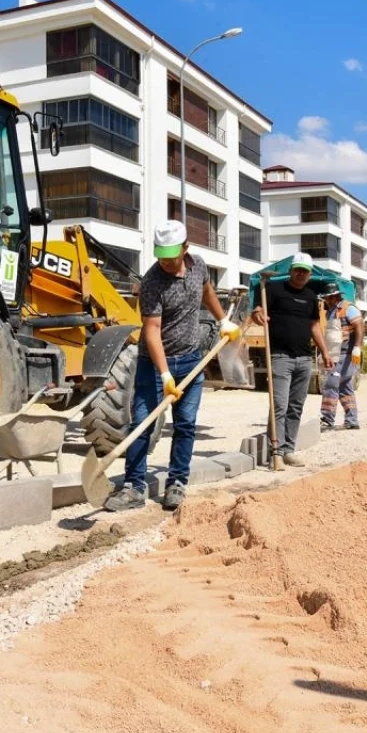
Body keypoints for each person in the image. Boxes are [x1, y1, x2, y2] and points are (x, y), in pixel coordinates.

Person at [103, 219, 241, 513]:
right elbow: (151, 330)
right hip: (154, 364)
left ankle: (177, 482)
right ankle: (134, 487)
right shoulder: (152, 281)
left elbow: (206, 292)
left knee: (186, 425)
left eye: (171, 256)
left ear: (186, 249)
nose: (165, 262)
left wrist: (222, 320)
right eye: (161, 256)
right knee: (143, 422)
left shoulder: (199, 266)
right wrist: (164, 373)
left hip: (192, 359)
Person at [250, 253, 332, 466]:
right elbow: (257, 312)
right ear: (291, 270)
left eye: (305, 271)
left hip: (304, 359)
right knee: (279, 405)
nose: (301, 274)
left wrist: (325, 352)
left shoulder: (311, 296)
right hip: (279, 357)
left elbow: (314, 326)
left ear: (309, 273)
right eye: (298, 269)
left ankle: (288, 450)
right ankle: (275, 451)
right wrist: (257, 314)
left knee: (296, 406)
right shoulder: (273, 290)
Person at [319, 282, 366, 430]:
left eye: (329, 297)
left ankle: (327, 419)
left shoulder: (348, 308)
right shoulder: (332, 311)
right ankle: (352, 421)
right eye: (326, 298)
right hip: (336, 353)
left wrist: (357, 347)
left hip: (346, 353)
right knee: (345, 386)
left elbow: (359, 326)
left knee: (330, 384)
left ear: (336, 296)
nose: (327, 300)